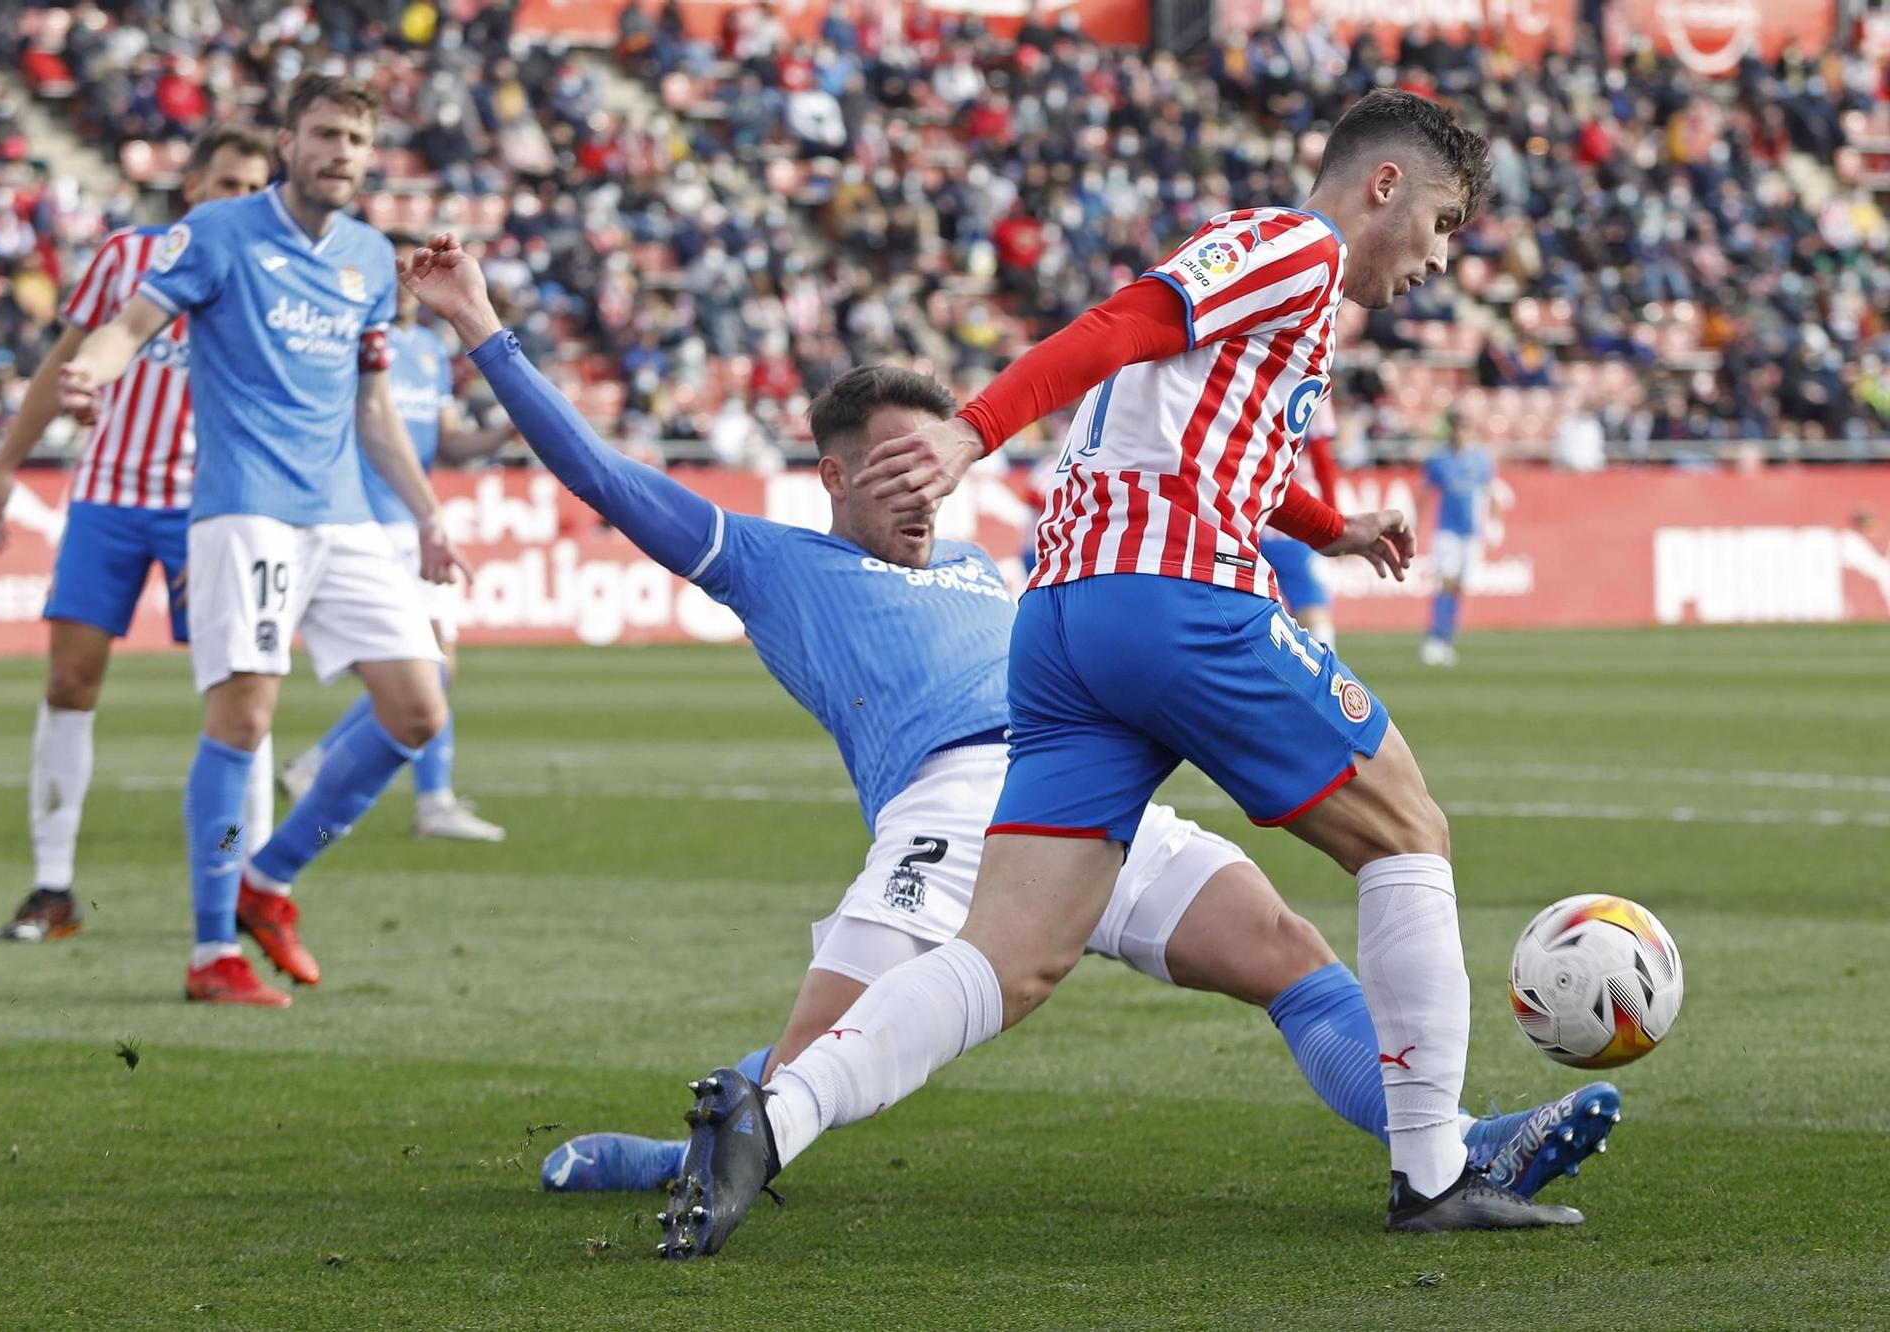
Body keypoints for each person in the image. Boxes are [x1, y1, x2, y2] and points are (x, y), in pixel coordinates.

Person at [396, 235, 1618, 1219]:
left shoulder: (989, 564)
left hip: (1086, 776)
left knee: (1288, 958)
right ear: (829, 478)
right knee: (802, 1078)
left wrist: (1317, 525)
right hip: (943, 816)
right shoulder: (770, 564)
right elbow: (603, 475)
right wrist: (481, 327)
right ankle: (669, 1158)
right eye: (891, 473)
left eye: (928, 471)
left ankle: (1452, 1142)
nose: (921, 494)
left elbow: (1176, 454)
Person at [664, 89, 1614, 1256]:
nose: (1437, 256)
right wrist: (972, 427)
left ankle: (778, 1115)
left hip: (1059, 629)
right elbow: (1121, 323)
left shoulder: (1279, 292)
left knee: (1008, 954)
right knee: (1404, 829)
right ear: (1385, 188)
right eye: (1443, 222)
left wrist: (1326, 528)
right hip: (1172, 601)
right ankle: (1431, 1168)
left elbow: (1200, 438)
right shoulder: (1290, 246)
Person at [56, 74, 466, 1007]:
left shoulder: (369, 257)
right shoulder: (219, 233)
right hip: (245, 508)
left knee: (417, 707)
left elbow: (372, 406)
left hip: (346, 515)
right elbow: (131, 325)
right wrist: (89, 376)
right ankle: (211, 952)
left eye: (356, 140)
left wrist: (428, 510)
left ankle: (268, 881)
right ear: (289, 142)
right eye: (324, 134)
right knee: (242, 719)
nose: (340, 153)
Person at [0, 123, 274, 942]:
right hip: (107, 498)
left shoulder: (274, 277)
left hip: (213, 507)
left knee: (240, 699)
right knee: (69, 685)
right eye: (224, 186)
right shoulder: (127, 256)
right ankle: (53, 888)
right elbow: (65, 361)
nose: (238, 204)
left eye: (253, 189)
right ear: (192, 191)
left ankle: (246, 886)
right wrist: (10, 463)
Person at [280, 239, 515, 842]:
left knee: (435, 668)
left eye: (414, 265)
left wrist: (502, 434)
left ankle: (323, 768)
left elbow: (447, 443)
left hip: (414, 521)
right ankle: (423, 798)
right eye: (394, 267)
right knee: (430, 662)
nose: (406, 276)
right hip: (365, 519)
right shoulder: (344, 339)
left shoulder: (429, 352)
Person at [1262, 394, 1342, 648]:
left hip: (1244, 513)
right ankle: (1325, 679)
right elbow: (1321, 456)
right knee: (1311, 606)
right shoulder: (1312, 380)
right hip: (1292, 519)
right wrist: (1334, 518)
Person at [1420, 409, 1494, 666]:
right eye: (1458, 429)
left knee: (1459, 587)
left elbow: (1489, 492)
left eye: (1466, 429)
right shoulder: (1440, 459)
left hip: (1471, 532)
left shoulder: (1482, 459)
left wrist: (1492, 524)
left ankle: (1446, 638)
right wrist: (1418, 524)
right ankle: (1435, 639)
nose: (1462, 434)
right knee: (1447, 582)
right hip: (1447, 531)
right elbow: (1426, 492)